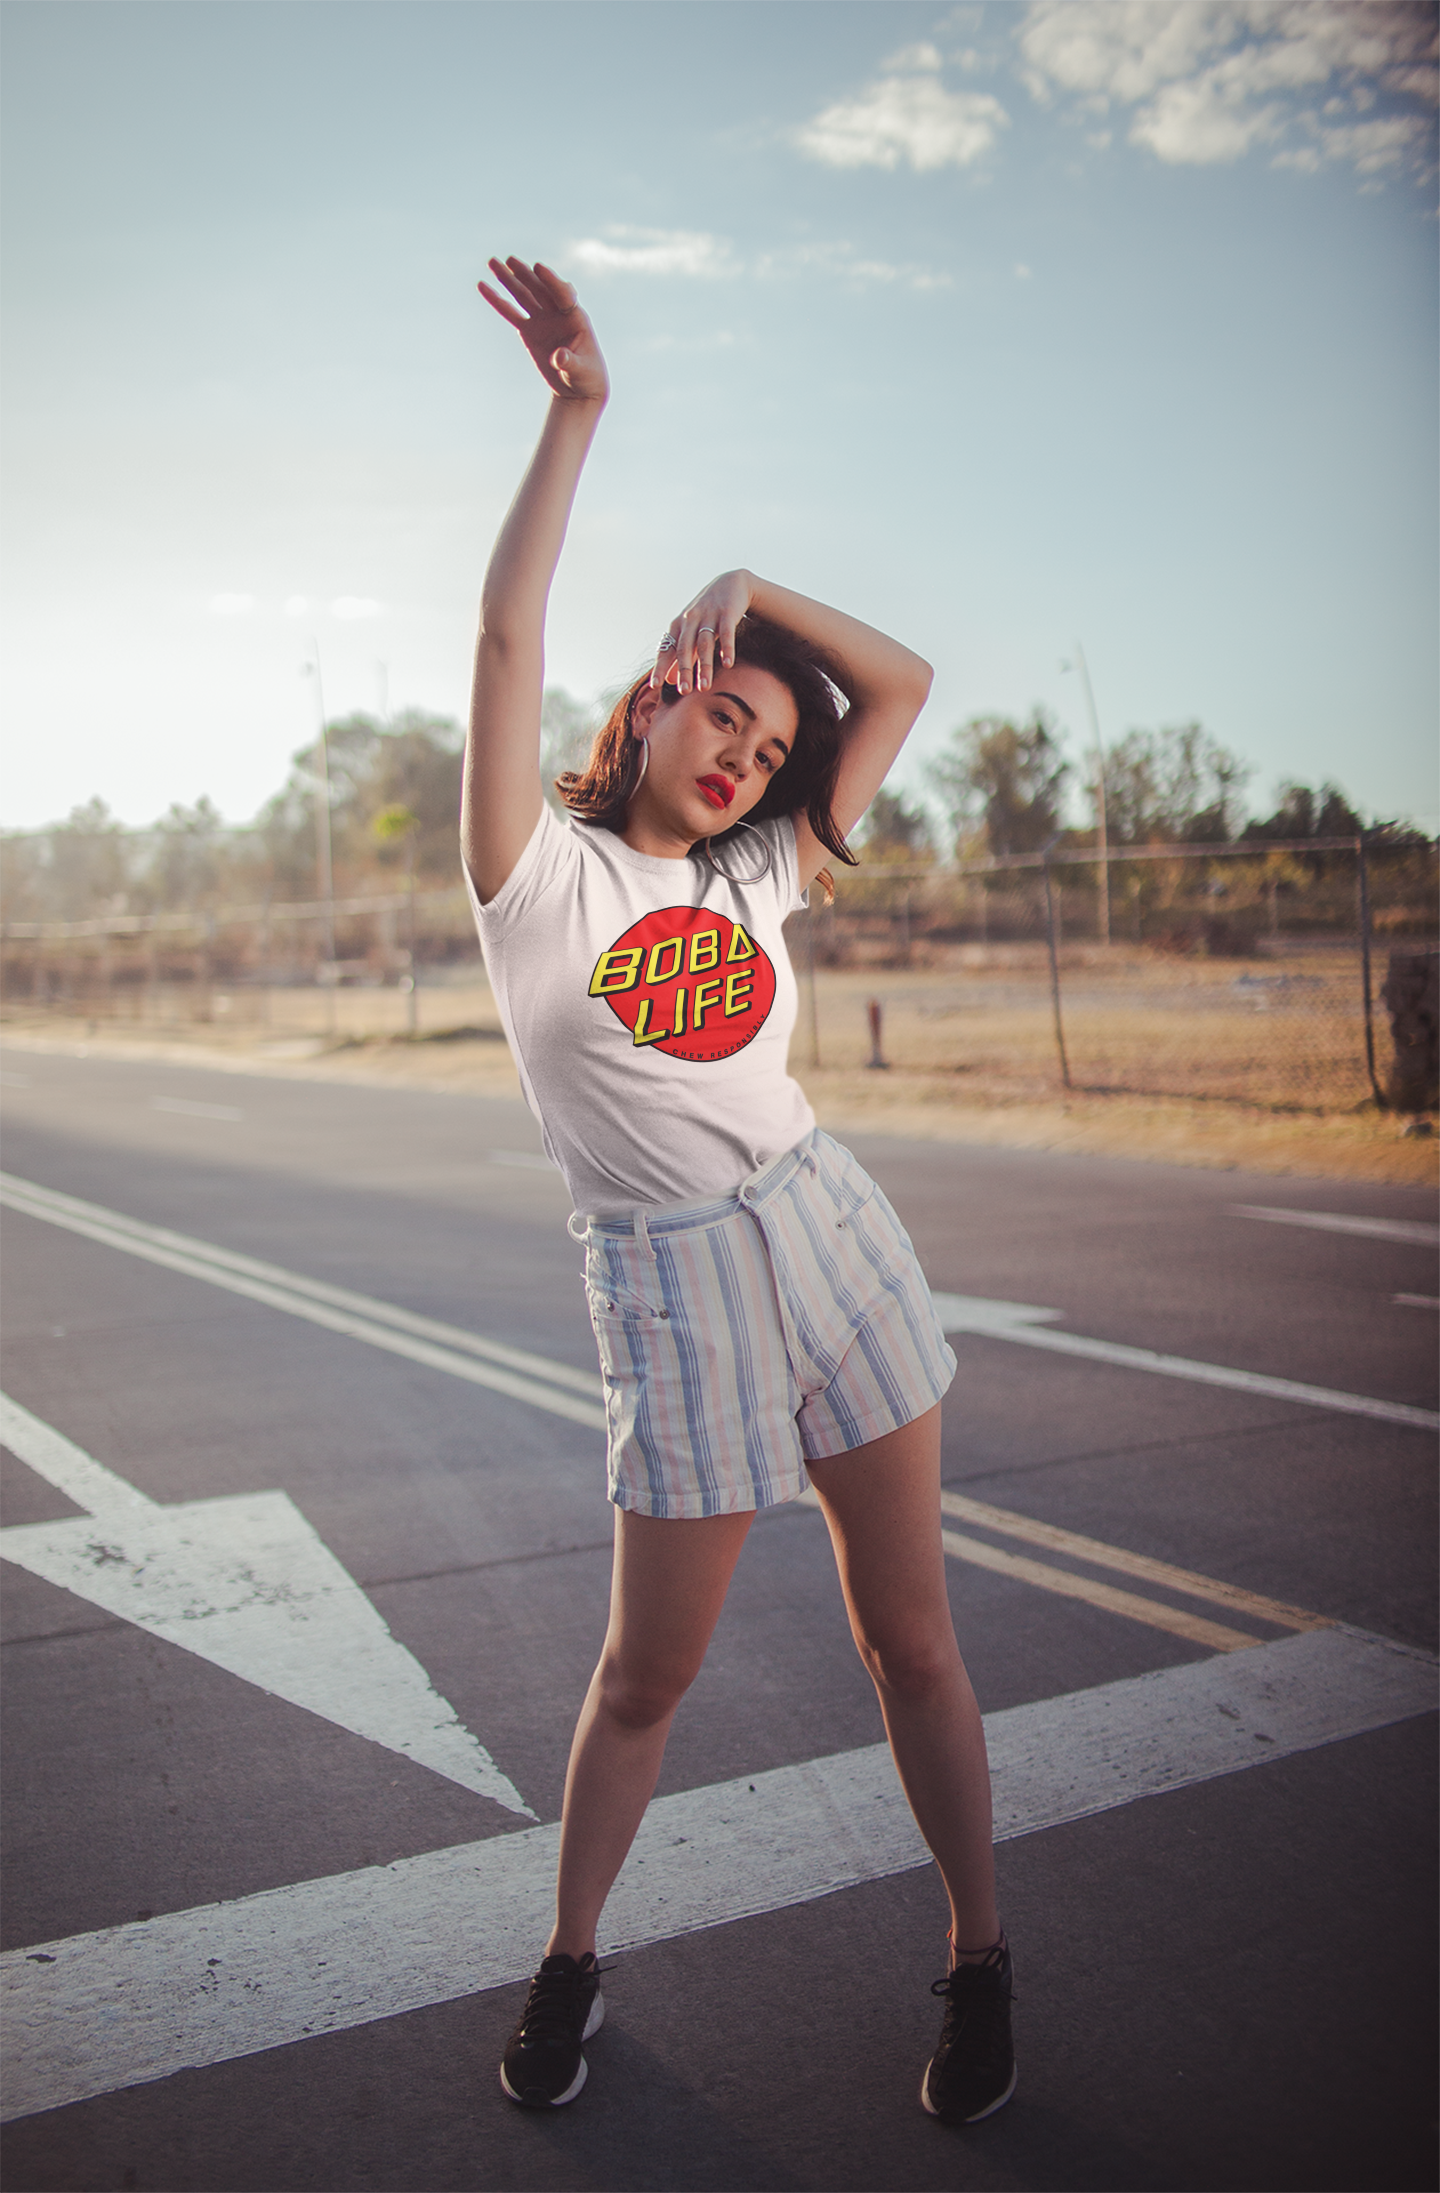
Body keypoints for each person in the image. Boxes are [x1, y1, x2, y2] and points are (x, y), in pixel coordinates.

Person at [464, 255, 1014, 2128]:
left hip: (827, 1227)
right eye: (723, 718)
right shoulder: (541, 884)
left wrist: (761, 592)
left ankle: (976, 1954)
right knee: (644, 1679)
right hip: (671, 1283)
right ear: (656, 700)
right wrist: (579, 413)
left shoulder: (760, 876)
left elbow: (912, 682)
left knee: (910, 1637)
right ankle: (569, 1961)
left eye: (774, 750)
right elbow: (501, 642)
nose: (747, 758)